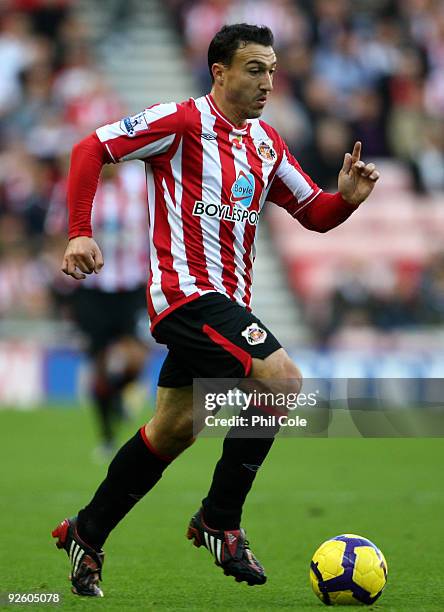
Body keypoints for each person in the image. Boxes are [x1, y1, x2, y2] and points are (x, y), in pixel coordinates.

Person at [51, 23, 380, 597]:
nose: (267, 82)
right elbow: (90, 148)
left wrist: (346, 200)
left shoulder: (266, 144)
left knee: (173, 429)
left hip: (228, 305)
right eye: (255, 69)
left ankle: (87, 530)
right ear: (219, 71)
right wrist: (79, 231)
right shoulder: (180, 122)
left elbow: (314, 213)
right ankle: (219, 520)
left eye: (273, 70)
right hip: (184, 296)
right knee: (281, 382)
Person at [47, 162, 150, 456]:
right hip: (92, 291)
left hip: (131, 286)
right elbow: (57, 232)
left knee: (136, 358)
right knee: (101, 366)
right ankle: (106, 436)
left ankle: (118, 396)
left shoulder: (138, 188)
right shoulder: (80, 190)